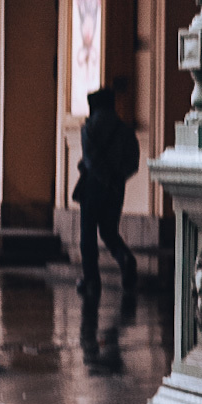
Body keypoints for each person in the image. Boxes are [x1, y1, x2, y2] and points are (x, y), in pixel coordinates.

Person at [73, 85, 140, 304]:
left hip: (93, 186)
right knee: (110, 231)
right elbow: (133, 162)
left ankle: (91, 280)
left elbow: (90, 159)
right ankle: (125, 258)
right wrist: (116, 178)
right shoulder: (125, 129)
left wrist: (103, 177)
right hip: (116, 188)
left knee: (88, 235)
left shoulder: (89, 127)